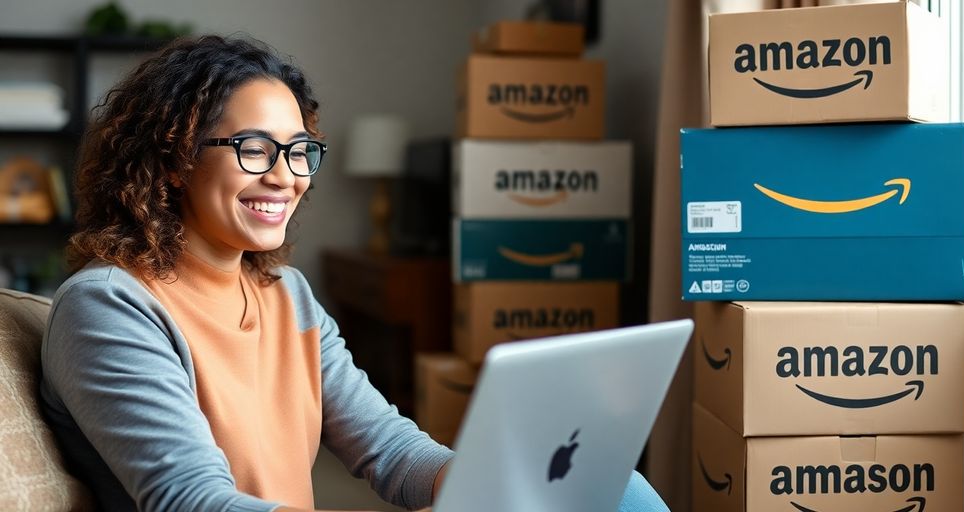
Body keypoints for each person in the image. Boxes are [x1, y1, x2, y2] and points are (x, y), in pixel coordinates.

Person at [39, 34, 669, 512]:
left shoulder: (287, 294)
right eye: (254, 149)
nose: (285, 176)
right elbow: (194, 500)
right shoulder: (109, 306)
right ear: (175, 159)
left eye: (299, 151)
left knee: (610, 487)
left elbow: (388, 447)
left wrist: (484, 480)